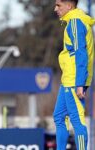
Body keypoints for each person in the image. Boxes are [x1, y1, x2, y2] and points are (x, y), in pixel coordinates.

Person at [53, 0, 94, 150]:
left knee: (77, 121)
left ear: (69, 6)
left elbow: (81, 54)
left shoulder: (75, 23)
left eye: (58, 5)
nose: (55, 8)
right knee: (59, 117)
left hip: (74, 80)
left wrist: (80, 84)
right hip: (68, 79)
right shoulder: (75, 21)